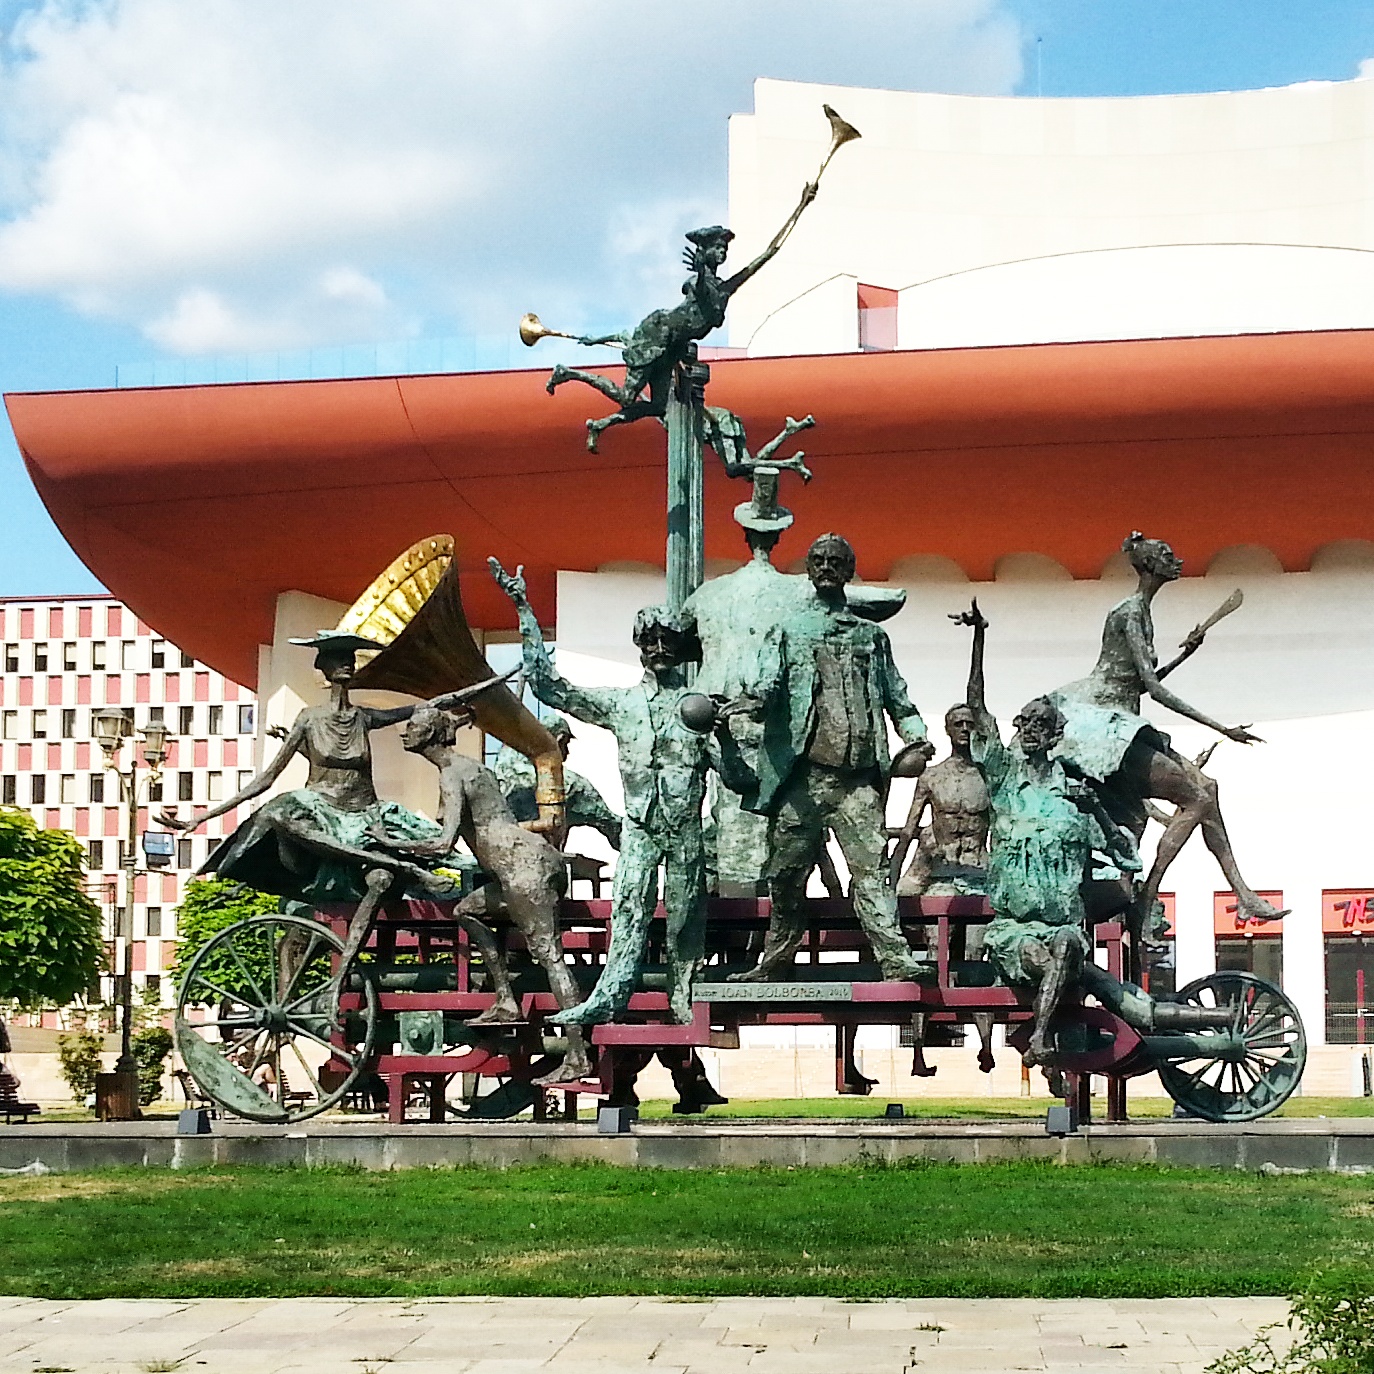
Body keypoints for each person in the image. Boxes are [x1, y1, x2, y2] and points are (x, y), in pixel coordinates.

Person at [159, 630, 491, 1002]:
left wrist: (470, 696)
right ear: (324, 668)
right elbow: (266, 778)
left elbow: (424, 707)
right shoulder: (308, 719)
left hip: (367, 817)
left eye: (350, 658)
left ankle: (449, 881)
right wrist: (201, 819)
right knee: (280, 812)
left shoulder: (364, 717)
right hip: (321, 814)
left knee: (442, 851)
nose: (347, 664)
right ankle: (409, 873)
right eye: (338, 659)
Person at [492, 558, 728, 1024]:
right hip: (640, 828)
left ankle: (682, 995)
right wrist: (524, 608)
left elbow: (740, 779)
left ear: (681, 649)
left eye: (668, 641)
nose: (660, 649)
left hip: (685, 831)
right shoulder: (622, 705)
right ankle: (609, 996)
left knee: (686, 918)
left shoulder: (699, 708)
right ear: (640, 648)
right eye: (651, 641)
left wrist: (730, 736)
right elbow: (550, 686)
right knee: (629, 911)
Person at [1050, 532, 1286, 928]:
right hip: (1104, 725)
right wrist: (1221, 727)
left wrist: (1183, 655)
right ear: (1147, 566)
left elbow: (1137, 681)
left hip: (1123, 719)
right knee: (1195, 795)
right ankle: (1149, 894)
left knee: (1206, 789)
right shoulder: (1127, 612)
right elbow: (1153, 689)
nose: (1175, 560)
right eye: (1165, 555)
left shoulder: (1142, 612)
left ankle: (1242, 894)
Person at [727, 533, 931, 983]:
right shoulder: (789, 630)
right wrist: (747, 703)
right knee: (785, 874)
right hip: (805, 779)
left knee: (873, 869)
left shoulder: (872, 637)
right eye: (817, 559)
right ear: (808, 569)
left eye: (835, 560)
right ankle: (775, 961)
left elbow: (898, 696)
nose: (824, 566)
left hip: (858, 780)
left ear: (848, 570)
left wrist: (916, 734)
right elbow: (767, 683)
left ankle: (895, 959)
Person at [956, 601, 1143, 1065]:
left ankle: (1038, 1039)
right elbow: (977, 710)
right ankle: (1042, 1040)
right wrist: (978, 640)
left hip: (1064, 932)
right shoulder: (1003, 780)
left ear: (1056, 734)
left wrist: (1097, 812)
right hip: (1012, 932)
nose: (1033, 730)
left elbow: (1127, 859)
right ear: (1018, 729)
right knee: (1046, 958)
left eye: (1044, 724)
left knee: (1064, 948)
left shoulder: (1077, 795)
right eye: (1027, 723)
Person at [377, 704, 591, 1085]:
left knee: (551, 960)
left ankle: (578, 1056)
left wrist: (390, 842)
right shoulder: (473, 767)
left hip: (522, 869)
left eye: (413, 727)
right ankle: (506, 1000)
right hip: (528, 863)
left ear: (430, 735)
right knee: (466, 911)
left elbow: (445, 844)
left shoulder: (452, 773)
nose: (404, 732)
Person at [547, 188, 819, 452]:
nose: (723, 252)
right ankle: (569, 373)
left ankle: (600, 425)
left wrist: (800, 206)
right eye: (717, 247)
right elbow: (699, 288)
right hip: (657, 337)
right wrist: (700, 268)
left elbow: (768, 253)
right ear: (705, 252)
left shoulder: (724, 290)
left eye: (724, 248)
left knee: (656, 407)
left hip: (671, 349)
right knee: (625, 397)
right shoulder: (700, 284)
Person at [493, 716, 622, 851]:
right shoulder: (573, 785)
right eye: (566, 744)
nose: (568, 752)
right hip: (541, 856)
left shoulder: (504, 763)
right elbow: (611, 825)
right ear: (559, 740)